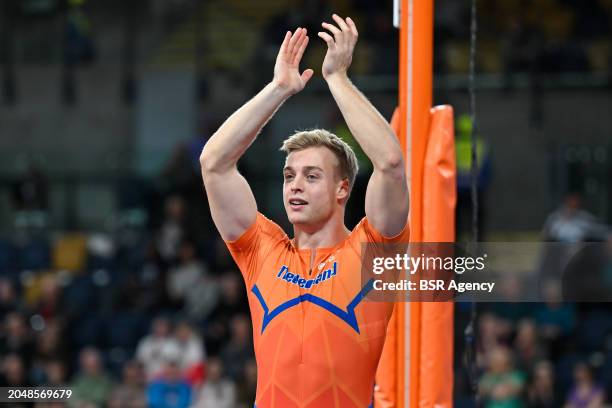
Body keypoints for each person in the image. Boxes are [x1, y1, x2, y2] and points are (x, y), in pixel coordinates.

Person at [200, 15, 409, 407]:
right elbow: (214, 163)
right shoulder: (262, 251)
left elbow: (391, 164)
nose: (294, 185)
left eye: (311, 176)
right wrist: (278, 88)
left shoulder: (372, 253)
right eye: (289, 175)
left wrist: (337, 79)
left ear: (342, 188)